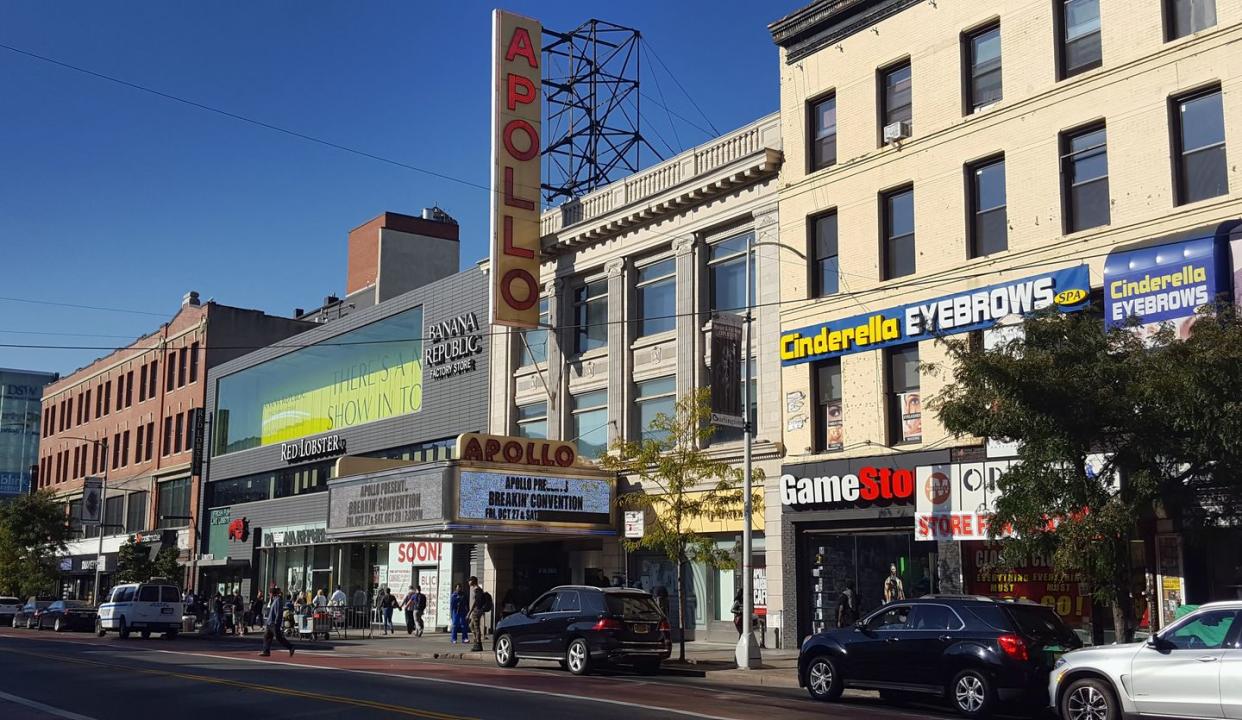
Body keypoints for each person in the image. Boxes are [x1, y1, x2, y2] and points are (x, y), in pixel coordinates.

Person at [260, 587, 295, 658]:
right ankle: (266, 651)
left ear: (272, 594)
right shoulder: (274, 600)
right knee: (267, 637)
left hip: (273, 623)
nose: (269, 595)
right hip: (270, 622)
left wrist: (277, 622)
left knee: (279, 637)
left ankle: (291, 647)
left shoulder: (278, 600)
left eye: (269, 594)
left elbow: (278, 612)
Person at [468, 576, 484, 652]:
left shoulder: (476, 590)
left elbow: (475, 603)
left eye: (469, 580)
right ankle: (475, 640)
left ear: (473, 581)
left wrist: (469, 613)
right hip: (479, 610)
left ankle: (478, 643)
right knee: (471, 625)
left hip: (476, 610)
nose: (468, 582)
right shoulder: (478, 590)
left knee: (476, 627)